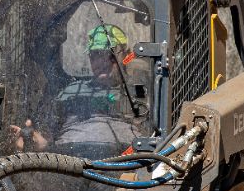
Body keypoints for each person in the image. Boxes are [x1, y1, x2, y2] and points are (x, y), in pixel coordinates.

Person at [8, 24, 149, 157]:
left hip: (127, 162)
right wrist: (35, 142)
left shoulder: (142, 91)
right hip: (69, 163)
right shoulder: (70, 91)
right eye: (95, 55)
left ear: (125, 54)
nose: (101, 62)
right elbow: (48, 137)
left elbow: (154, 134)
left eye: (109, 54)